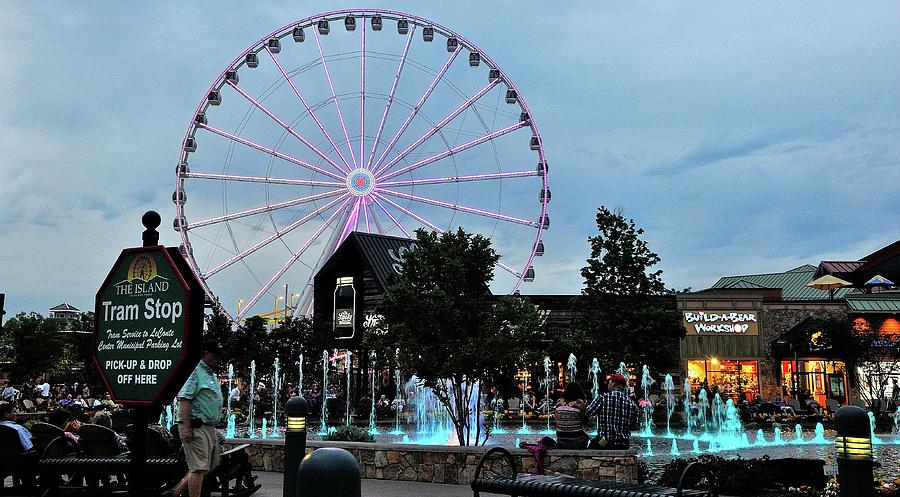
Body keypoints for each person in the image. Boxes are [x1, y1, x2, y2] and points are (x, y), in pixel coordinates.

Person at [172, 339, 226, 497]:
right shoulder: (194, 372)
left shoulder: (208, 373)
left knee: (212, 463)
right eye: (216, 355)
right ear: (206, 354)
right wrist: (186, 427)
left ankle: (176, 492)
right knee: (199, 468)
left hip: (208, 427)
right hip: (196, 427)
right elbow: (184, 399)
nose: (218, 359)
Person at [586, 374, 639, 450]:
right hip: (623, 444)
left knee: (590, 448)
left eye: (609, 382)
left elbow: (588, 412)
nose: (608, 384)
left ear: (613, 383)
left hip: (605, 442)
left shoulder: (602, 398)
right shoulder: (632, 404)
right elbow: (635, 426)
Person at [555, 382, 589, 449]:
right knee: (587, 437)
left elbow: (556, 422)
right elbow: (585, 422)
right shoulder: (580, 403)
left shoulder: (558, 403)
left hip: (561, 441)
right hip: (577, 442)